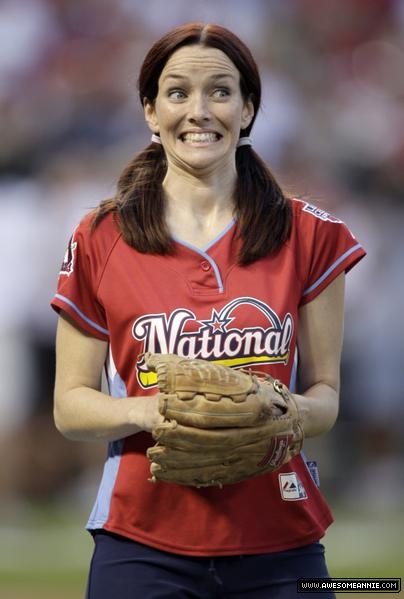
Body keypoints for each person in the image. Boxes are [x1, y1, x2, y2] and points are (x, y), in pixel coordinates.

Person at [51, 22, 366, 599]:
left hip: (282, 538)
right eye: (177, 93)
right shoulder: (100, 236)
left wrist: (273, 409)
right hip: (140, 540)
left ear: (248, 109)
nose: (199, 111)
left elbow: (326, 399)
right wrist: (156, 413)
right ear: (150, 112)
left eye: (221, 91)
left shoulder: (312, 235)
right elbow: (69, 407)